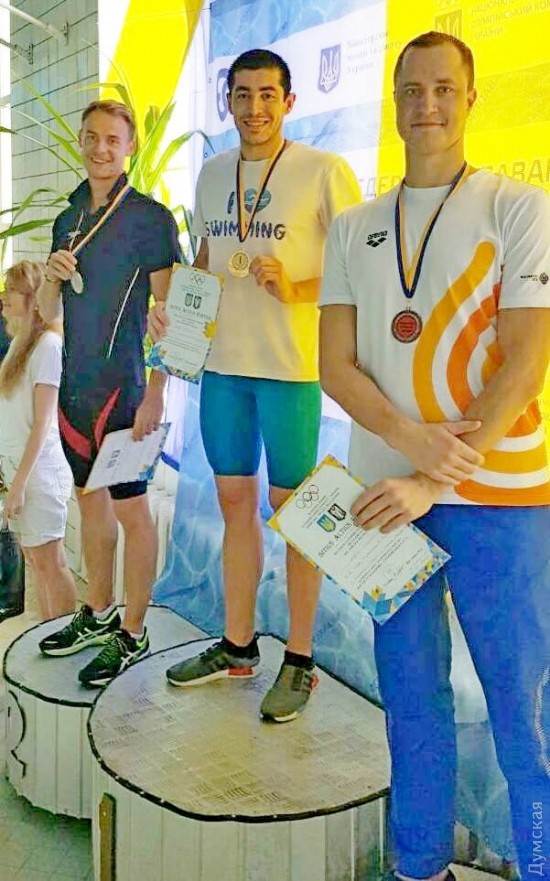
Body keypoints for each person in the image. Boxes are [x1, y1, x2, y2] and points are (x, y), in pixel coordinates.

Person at [319, 30, 550, 881]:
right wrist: (409, 449)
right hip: (387, 500)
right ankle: (420, 866)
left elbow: (527, 357)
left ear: (471, 98)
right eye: (412, 89)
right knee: (412, 702)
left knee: (523, 711)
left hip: (504, 495)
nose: (428, 104)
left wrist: (432, 471)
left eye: (444, 88)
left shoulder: (518, 207)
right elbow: (334, 365)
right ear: (394, 101)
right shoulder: (354, 227)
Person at [148, 49, 362, 722]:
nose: (254, 108)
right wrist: (174, 312)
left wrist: (296, 287)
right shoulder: (213, 173)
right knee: (235, 502)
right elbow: (208, 260)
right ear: (228, 102)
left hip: (290, 372)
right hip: (223, 370)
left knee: (296, 514)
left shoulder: (323, 170)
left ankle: (300, 658)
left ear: (289, 101)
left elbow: (361, 267)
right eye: (242, 95)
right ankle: (237, 644)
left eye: (268, 94)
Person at [37, 100, 180, 687]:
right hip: (75, 391)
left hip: (125, 391)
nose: (101, 148)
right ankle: (98, 613)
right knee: (89, 504)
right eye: (91, 137)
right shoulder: (67, 218)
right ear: (81, 140)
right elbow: (48, 314)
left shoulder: (150, 218)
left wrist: (157, 393)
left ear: (129, 147)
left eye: (112, 139)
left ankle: (133, 629)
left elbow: (173, 317)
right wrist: (50, 277)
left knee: (132, 510)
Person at [0, 260, 76, 621]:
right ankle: (46, 636)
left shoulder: (47, 345)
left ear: (32, 297)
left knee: (50, 562)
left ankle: (62, 635)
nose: (4, 297)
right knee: (34, 560)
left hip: (38, 475)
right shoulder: (19, 344)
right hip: (18, 470)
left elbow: (43, 423)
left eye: (11, 290)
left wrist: (19, 485)